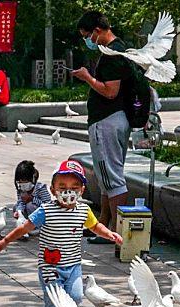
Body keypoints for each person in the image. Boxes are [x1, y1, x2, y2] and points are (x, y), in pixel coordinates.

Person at [0, 159, 123, 307]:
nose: (68, 191)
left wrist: (110, 234)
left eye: (74, 187)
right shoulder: (46, 211)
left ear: (82, 190)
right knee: (53, 299)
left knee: (76, 296)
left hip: (73, 266)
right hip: (49, 267)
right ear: (53, 189)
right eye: (62, 186)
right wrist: (5, 241)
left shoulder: (83, 211)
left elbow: (95, 226)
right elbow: (25, 227)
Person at [73, 10, 132, 242]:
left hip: (107, 121)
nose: (87, 40)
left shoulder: (113, 53)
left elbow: (110, 91)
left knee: (114, 179)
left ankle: (118, 235)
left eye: (87, 35)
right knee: (107, 178)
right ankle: (104, 225)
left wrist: (87, 77)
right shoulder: (119, 49)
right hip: (114, 119)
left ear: (97, 31)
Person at [11, 160, 52, 229]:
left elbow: (47, 205)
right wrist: (19, 211)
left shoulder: (40, 188)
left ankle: (37, 227)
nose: (22, 184)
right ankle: (25, 225)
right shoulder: (20, 189)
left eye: (25, 181)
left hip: (41, 215)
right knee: (16, 207)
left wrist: (32, 199)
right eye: (20, 182)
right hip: (28, 215)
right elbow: (20, 202)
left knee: (30, 205)